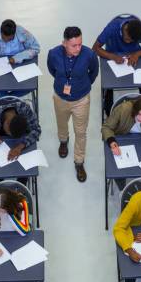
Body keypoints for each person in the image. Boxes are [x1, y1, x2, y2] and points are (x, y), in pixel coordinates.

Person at [47, 26, 99, 182]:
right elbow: (52, 70)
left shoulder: (89, 55)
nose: (78, 48)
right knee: (61, 124)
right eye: (74, 45)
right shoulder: (53, 54)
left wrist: (83, 86)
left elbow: (94, 72)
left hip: (81, 100)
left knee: (81, 132)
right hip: (60, 98)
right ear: (64, 43)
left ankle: (79, 161)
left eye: (80, 44)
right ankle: (63, 141)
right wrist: (63, 81)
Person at [92, 15, 141, 116]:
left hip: (135, 57)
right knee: (109, 86)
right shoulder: (112, 27)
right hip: (114, 55)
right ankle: (109, 114)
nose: (128, 42)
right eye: (127, 38)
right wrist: (112, 56)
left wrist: (138, 54)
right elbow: (95, 48)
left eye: (131, 41)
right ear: (125, 29)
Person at [102, 95, 141, 190]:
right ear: (135, 110)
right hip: (122, 143)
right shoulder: (123, 109)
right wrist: (112, 143)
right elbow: (106, 127)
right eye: (139, 114)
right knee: (118, 171)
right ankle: (123, 190)